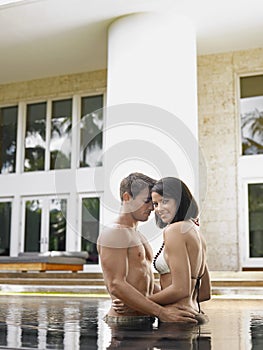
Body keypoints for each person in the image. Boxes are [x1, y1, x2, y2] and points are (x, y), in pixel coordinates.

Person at [97, 172, 198, 324]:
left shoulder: (138, 236)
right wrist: (162, 312)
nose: (153, 207)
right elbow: (116, 284)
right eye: (147, 201)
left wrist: (175, 303)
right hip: (125, 323)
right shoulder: (114, 233)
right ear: (127, 197)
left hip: (144, 317)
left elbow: (146, 282)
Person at [148, 177, 211, 324]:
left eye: (165, 201)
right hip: (193, 314)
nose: (158, 209)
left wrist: (141, 302)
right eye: (155, 204)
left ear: (180, 200)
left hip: (176, 318)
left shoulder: (175, 230)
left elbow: (181, 289)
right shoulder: (196, 233)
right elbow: (205, 292)